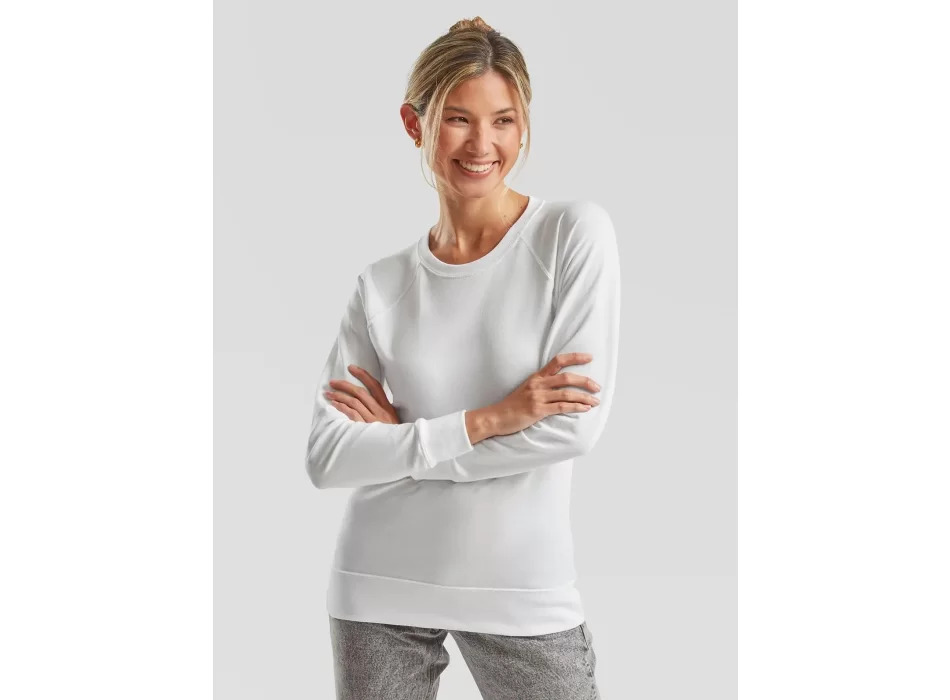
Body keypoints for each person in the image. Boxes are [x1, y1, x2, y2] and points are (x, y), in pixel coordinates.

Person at [305, 16, 621, 700]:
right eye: (457, 119)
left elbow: (572, 429)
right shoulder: (383, 285)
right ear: (414, 124)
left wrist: (402, 447)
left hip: (522, 589)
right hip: (377, 586)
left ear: (524, 125)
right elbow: (327, 458)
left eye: (504, 120)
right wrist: (492, 418)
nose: (483, 145)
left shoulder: (571, 236)